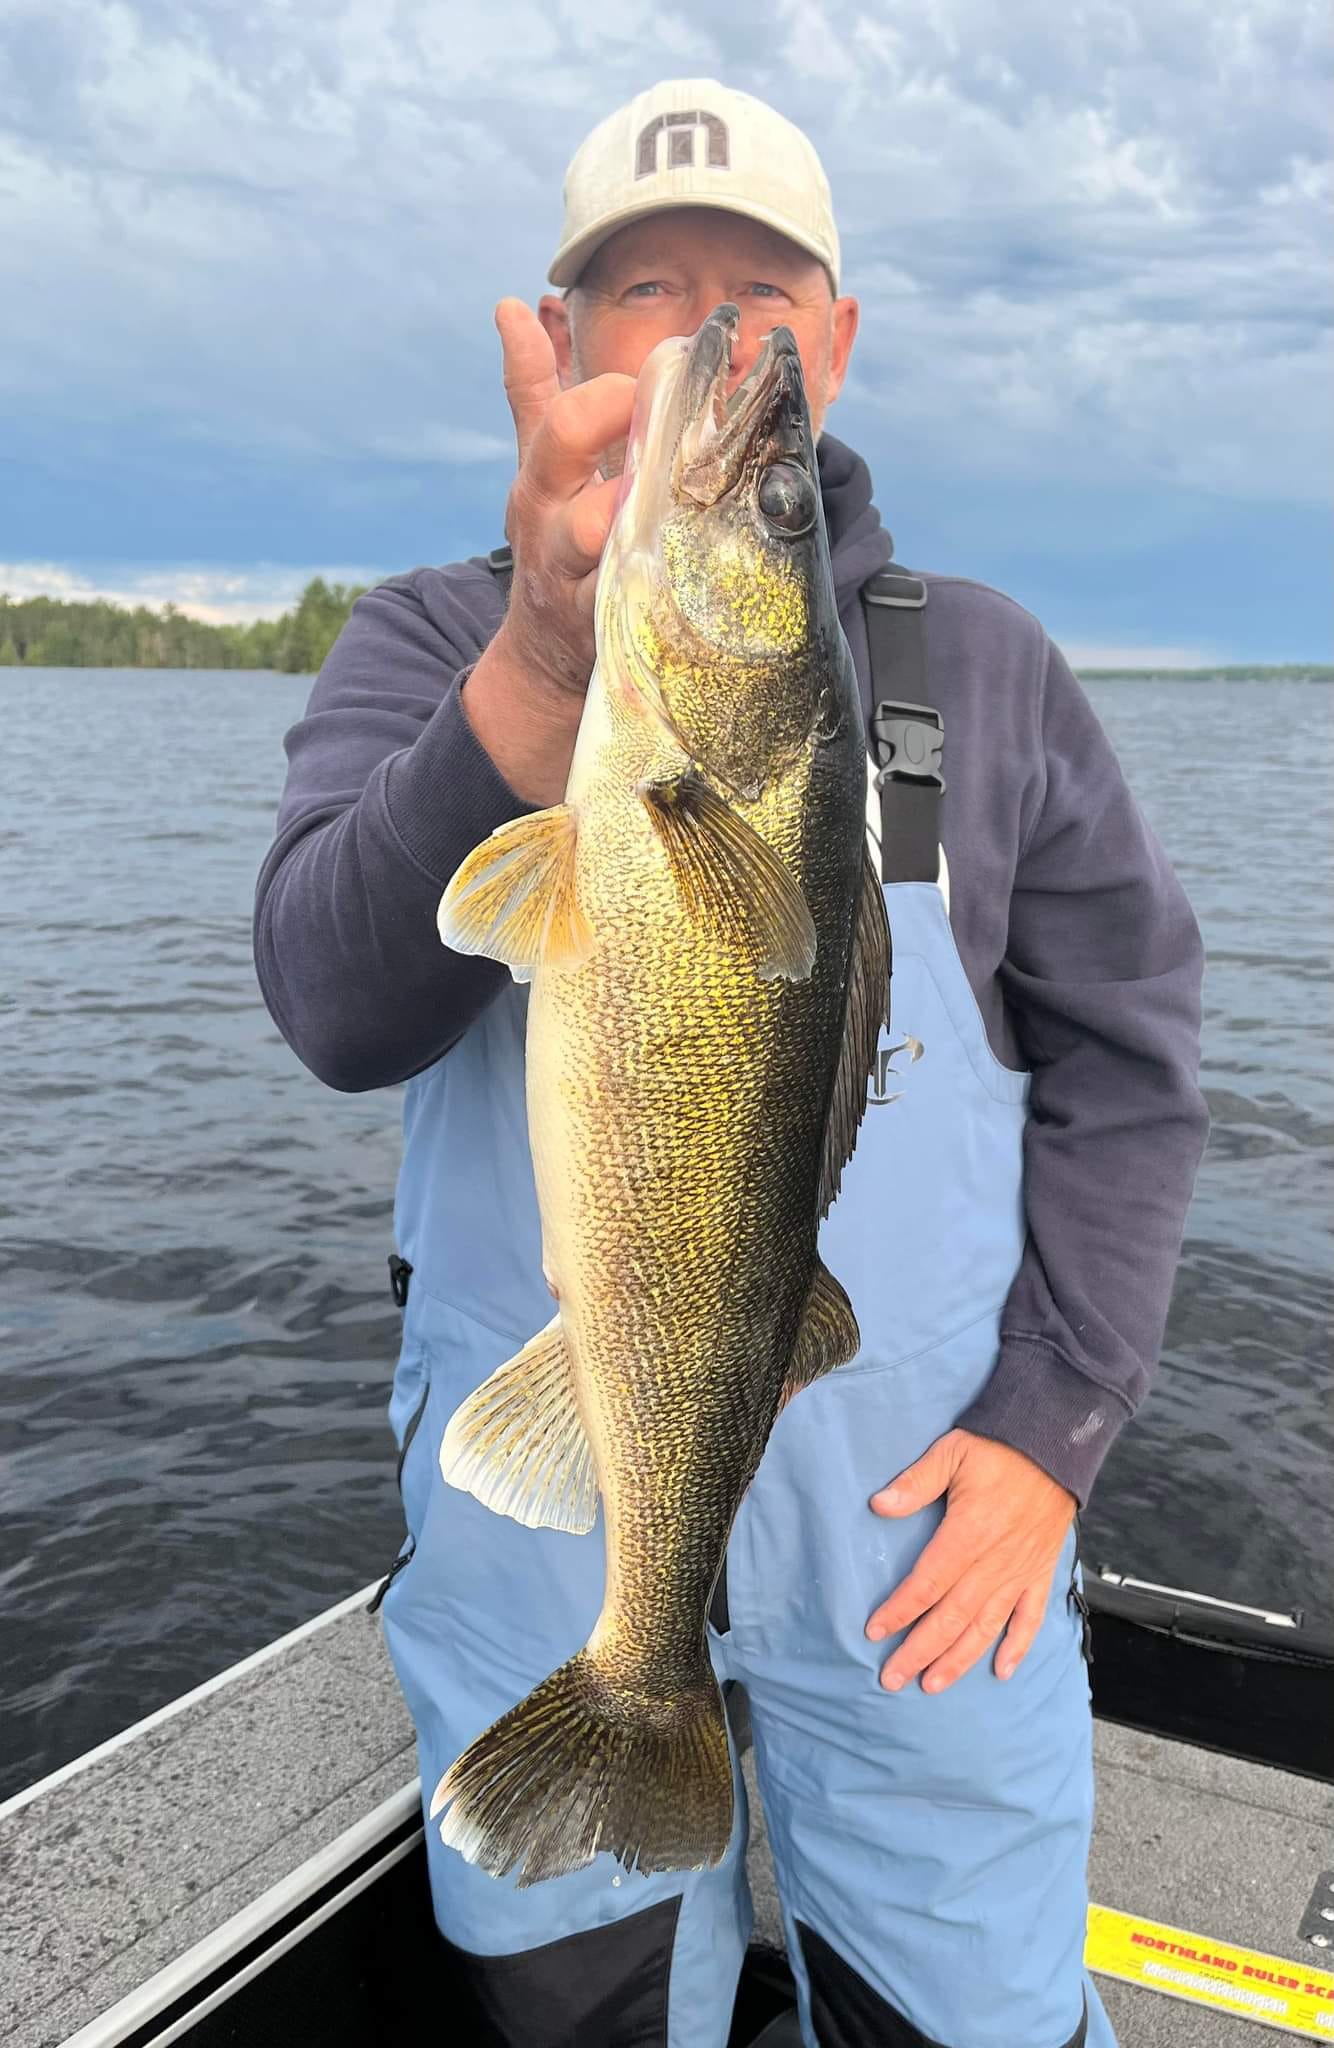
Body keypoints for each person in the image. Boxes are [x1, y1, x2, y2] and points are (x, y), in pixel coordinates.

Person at [254, 77, 1207, 2048]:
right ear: (565, 335)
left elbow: (1132, 1061)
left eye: (762, 302)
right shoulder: (435, 638)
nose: (706, 341)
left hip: (918, 1528)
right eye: (646, 291)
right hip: (554, 1531)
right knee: (583, 2007)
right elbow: (338, 1006)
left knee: (979, 2012)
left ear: (839, 344)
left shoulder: (990, 669)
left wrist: (1057, 1423)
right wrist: (529, 674)